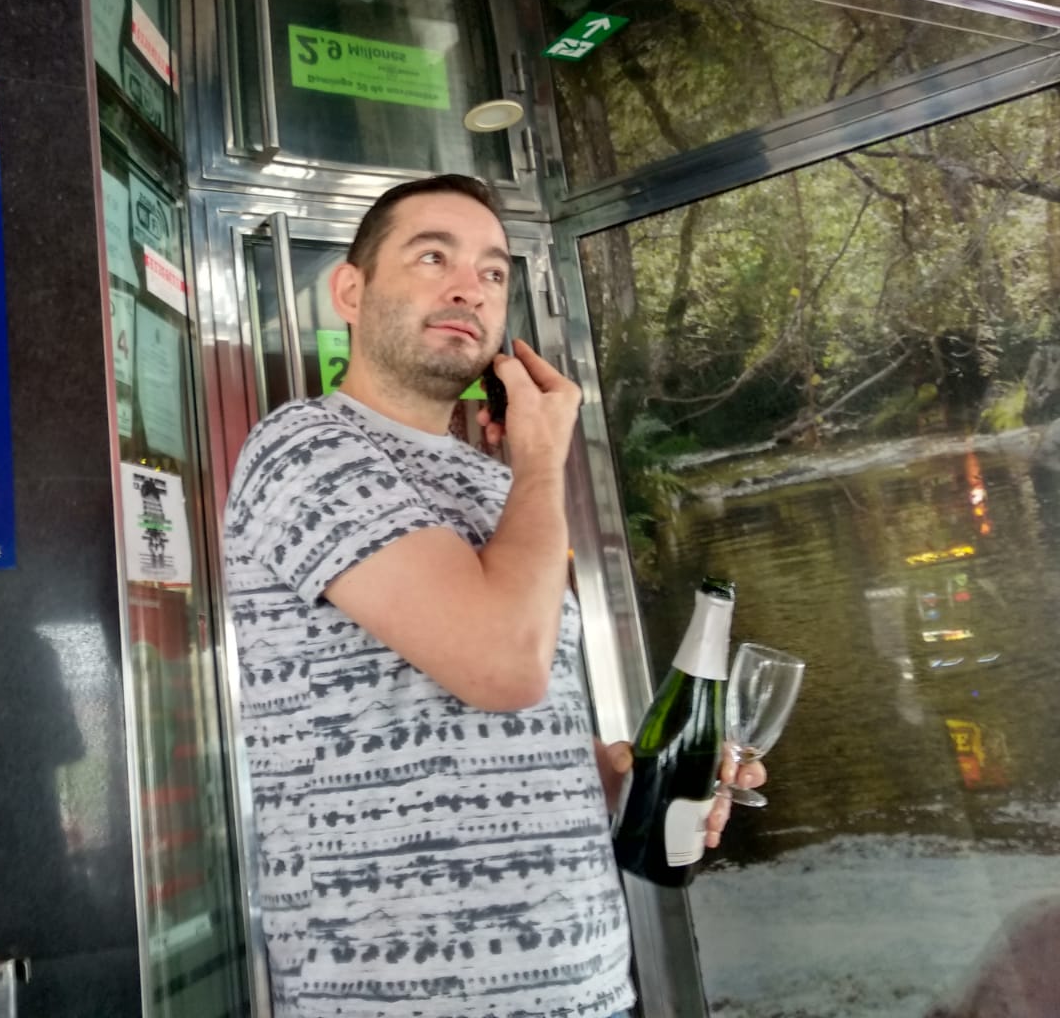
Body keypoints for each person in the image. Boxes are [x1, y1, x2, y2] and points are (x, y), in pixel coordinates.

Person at [223, 174, 764, 1018]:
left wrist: (619, 781)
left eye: (492, 272)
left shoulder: (493, 484)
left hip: (583, 985)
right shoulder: (304, 448)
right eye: (431, 255)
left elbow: (506, 711)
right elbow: (502, 667)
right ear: (350, 291)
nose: (468, 286)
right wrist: (545, 459)